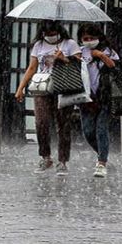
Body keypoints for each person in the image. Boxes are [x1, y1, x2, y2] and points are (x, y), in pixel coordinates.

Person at [15, 20, 81, 175]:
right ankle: (45, 156)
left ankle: (63, 160)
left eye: (53, 34)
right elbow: (32, 67)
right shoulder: (38, 45)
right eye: (47, 34)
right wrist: (21, 88)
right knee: (41, 122)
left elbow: (80, 65)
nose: (50, 37)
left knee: (63, 124)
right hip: (43, 87)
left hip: (64, 87)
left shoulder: (70, 44)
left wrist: (64, 59)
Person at [77, 24, 118, 178]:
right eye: (85, 39)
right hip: (86, 98)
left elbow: (114, 66)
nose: (89, 41)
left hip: (105, 97)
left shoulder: (108, 51)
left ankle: (101, 163)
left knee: (101, 128)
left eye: (92, 38)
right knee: (88, 131)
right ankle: (103, 154)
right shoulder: (79, 52)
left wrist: (100, 55)